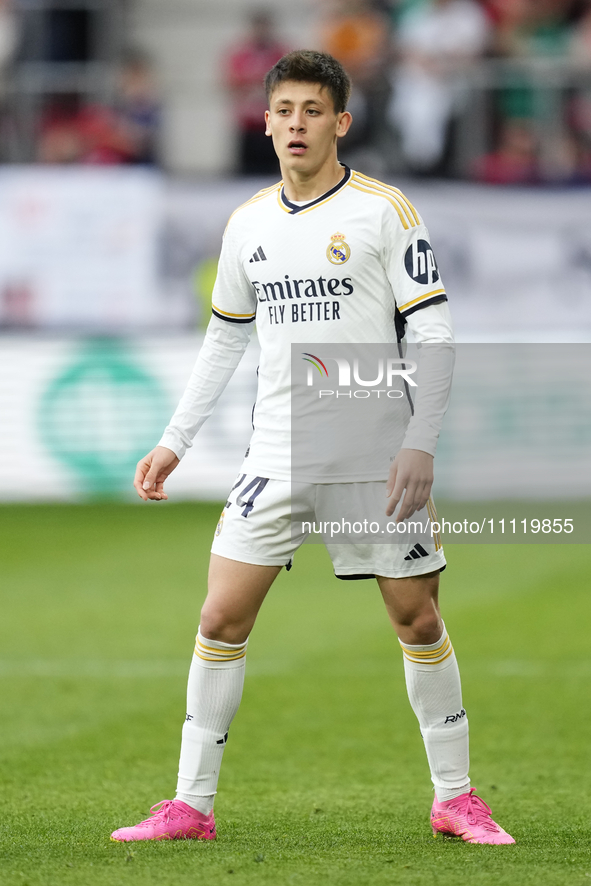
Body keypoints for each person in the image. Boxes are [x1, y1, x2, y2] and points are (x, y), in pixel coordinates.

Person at [110, 50, 514, 846]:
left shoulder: (383, 211)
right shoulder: (249, 223)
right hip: (275, 454)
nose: (296, 123)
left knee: (417, 618)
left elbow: (432, 333)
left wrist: (419, 445)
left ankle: (456, 798)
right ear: (263, 121)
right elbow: (223, 342)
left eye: (311, 111)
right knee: (220, 617)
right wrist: (174, 440)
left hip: (372, 450)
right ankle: (190, 805)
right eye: (283, 110)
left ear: (340, 122)